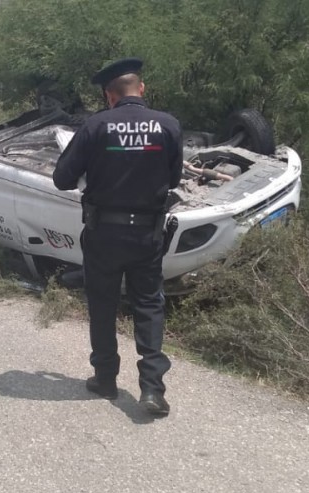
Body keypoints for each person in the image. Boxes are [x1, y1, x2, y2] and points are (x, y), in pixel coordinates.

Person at [52, 58, 183, 417]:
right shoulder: (168, 125)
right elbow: (173, 179)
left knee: (103, 305)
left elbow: (62, 178)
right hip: (147, 234)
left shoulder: (96, 126)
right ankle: (153, 390)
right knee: (148, 306)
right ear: (141, 89)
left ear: (109, 96)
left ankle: (106, 378)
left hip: (103, 233)